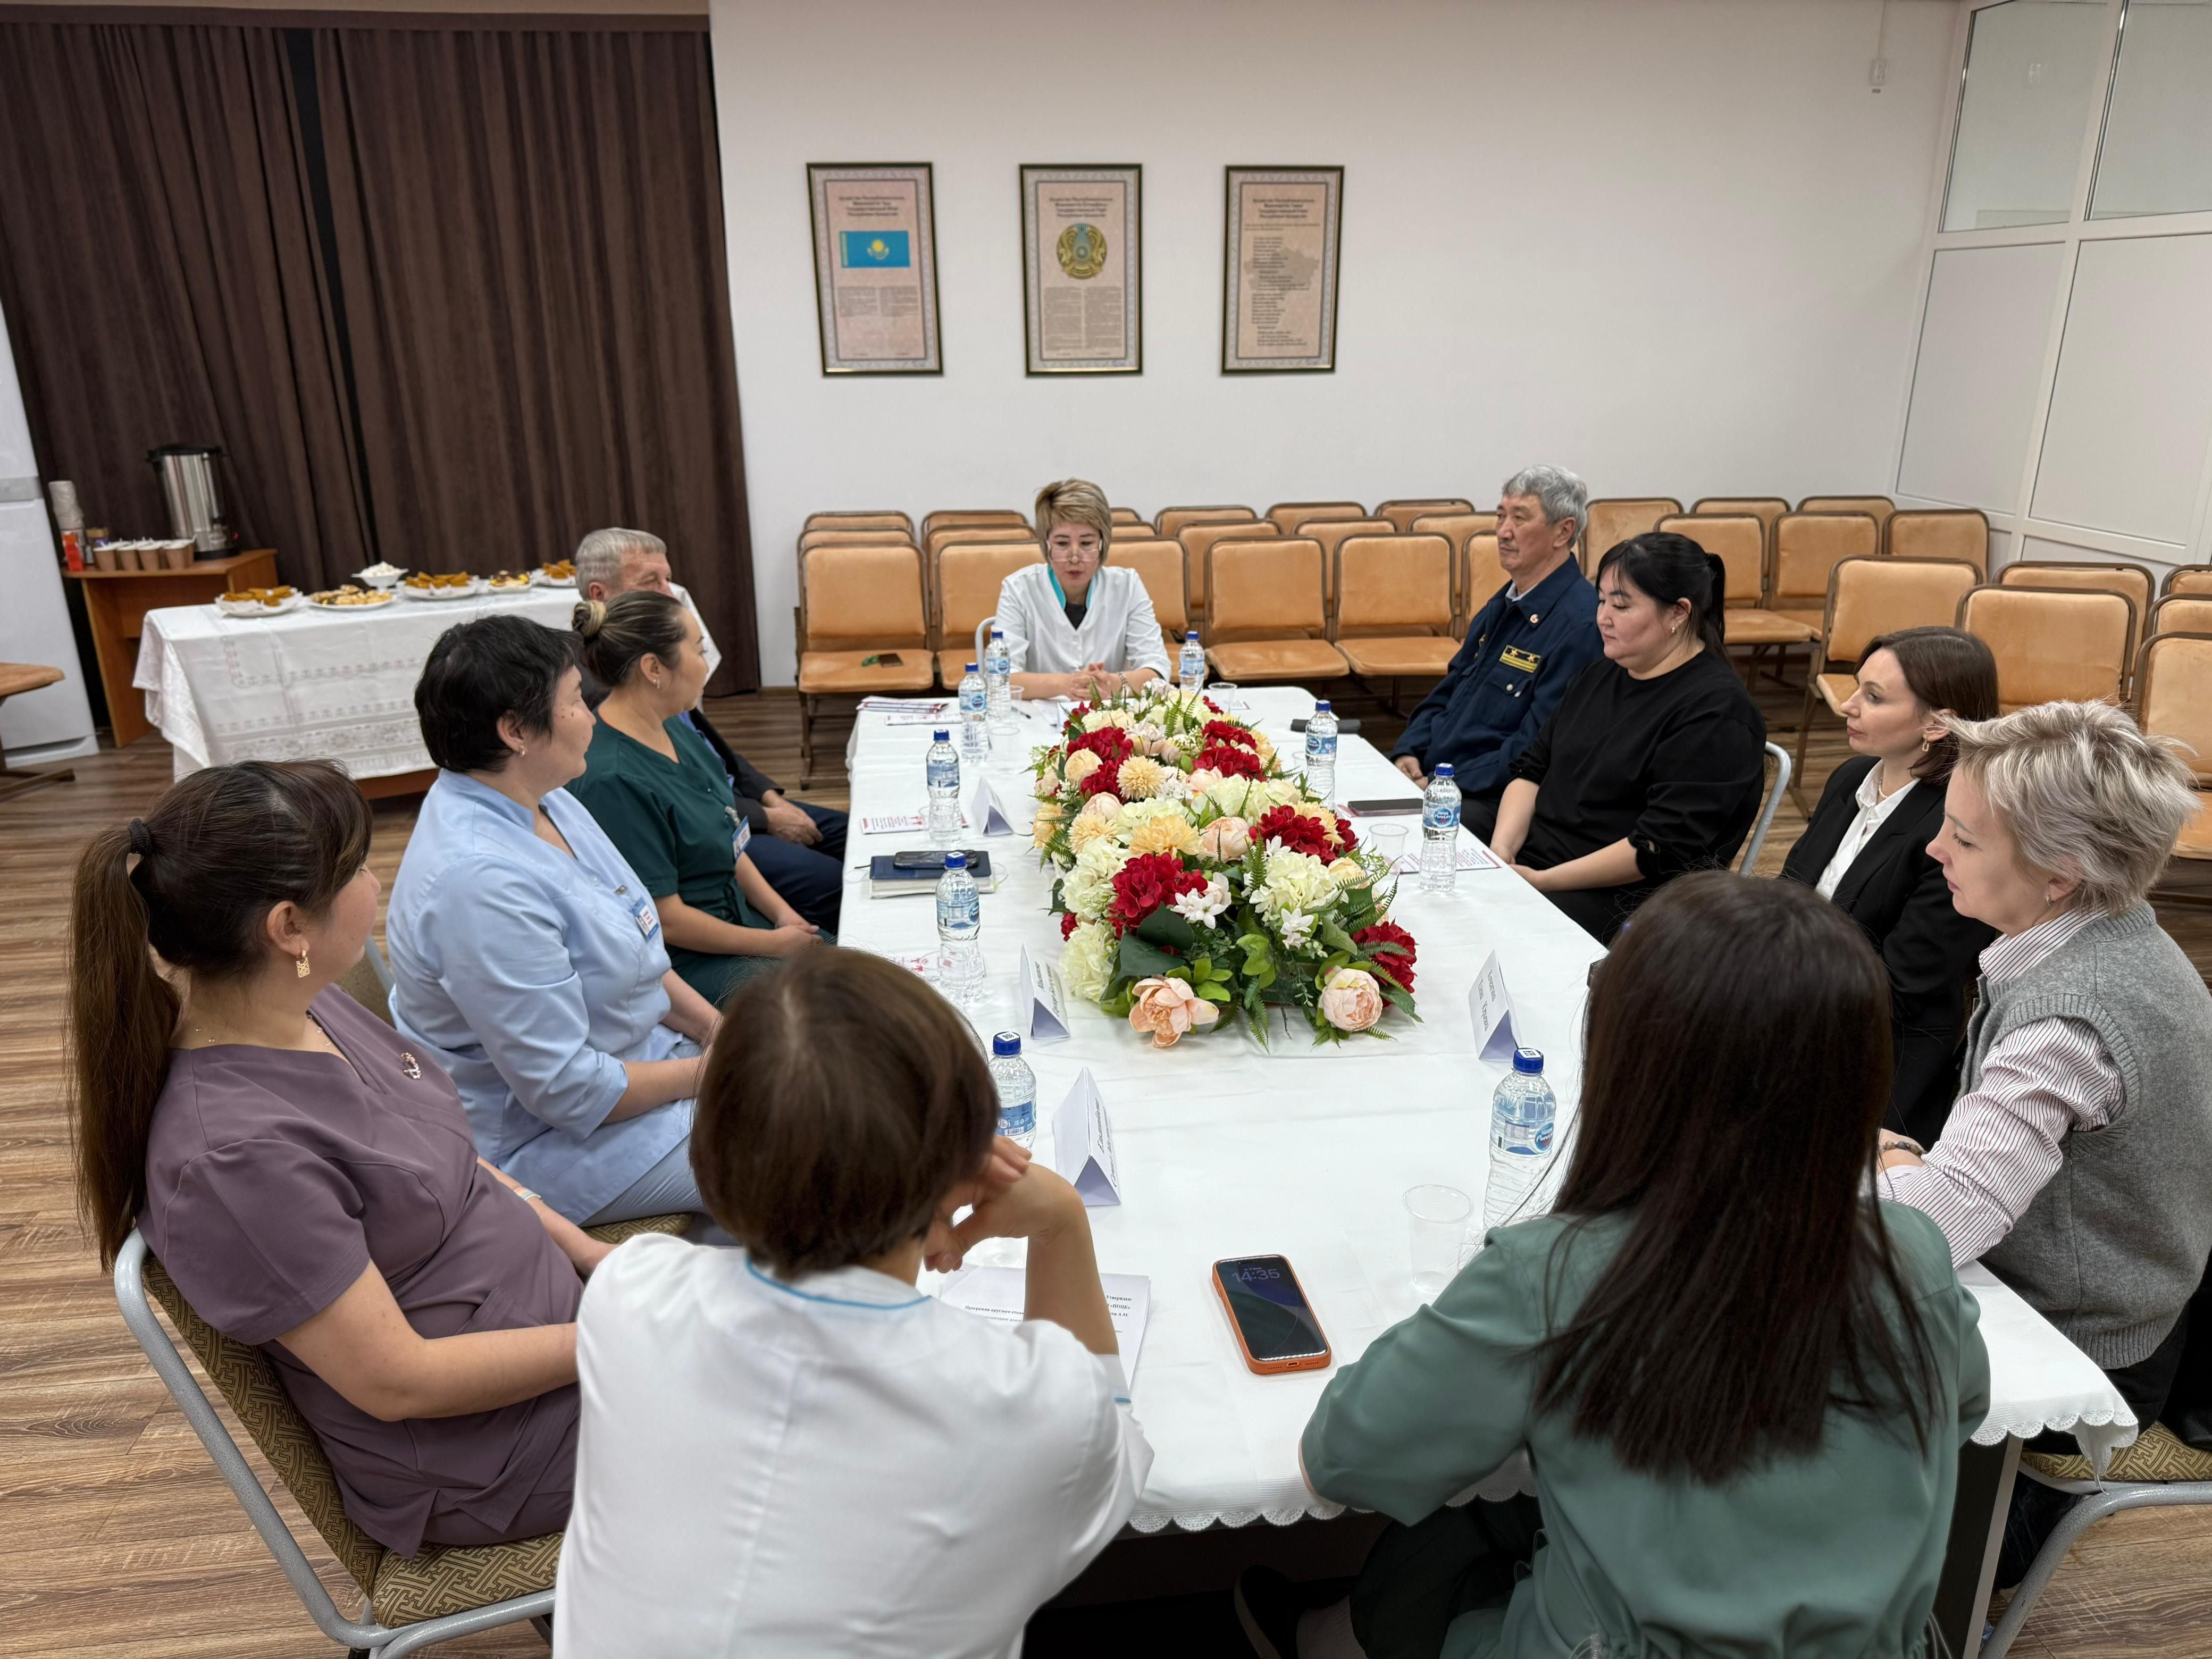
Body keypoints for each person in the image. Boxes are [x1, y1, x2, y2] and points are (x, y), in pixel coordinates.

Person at [1236, 873, 1987, 1659]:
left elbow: (1342, 1457)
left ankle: (1337, 1637)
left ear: (1632, 1069)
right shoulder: (1911, 1254)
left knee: (1463, 1546)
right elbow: (1962, 1411)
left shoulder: (1556, 1276)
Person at [68, 760, 601, 1557]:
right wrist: (614, 1340)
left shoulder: (308, 1010)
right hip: (489, 1452)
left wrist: (590, 1255)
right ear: (289, 927)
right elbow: (398, 1379)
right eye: (356, 870)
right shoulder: (232, 1159)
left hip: (555, 1334)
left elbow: (451, 1162)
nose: (377, 883)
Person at [554, 950, 1152, 1656]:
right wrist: (1061, 1224)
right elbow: (1114, 1456)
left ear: (710, 1154)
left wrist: (931, 1188)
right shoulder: (1030, 1407)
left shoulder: (630, 1293)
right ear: (957, 1176)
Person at [1878, 701, 2212, 1579]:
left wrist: (1892, 1156)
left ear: (2061, 874)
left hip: (2077, 1346)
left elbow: (1930, 1231)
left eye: (1964, 837)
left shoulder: (2071, 1022)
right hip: (2119, 1297)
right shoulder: (2116, 939)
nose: (1934, 849)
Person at [387, 614, 723, 1227]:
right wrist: (712, 1074)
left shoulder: (547, 798)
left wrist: (714, 1029)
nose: (593, 717)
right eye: (575, 701)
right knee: (816, 1146)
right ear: (516, 730)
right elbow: (568, 1091)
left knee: (825, 1089)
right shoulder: (478, 883)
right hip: (547, 1144)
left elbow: (639, 945)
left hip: (636, 1066)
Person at [1486, 532, 1767, 943]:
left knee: (1490, 927)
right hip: (1538, 861)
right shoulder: (1600, 673)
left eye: (1620, 606)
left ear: (1678, 613)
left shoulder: (1717, 713)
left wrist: (1542, 881)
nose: (1602, 617)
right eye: (1601, 601)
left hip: (1626, 898)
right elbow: (1532, 770)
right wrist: (1501, 853)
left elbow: (1655, 848)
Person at [1781, 627, 2000, 1144]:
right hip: (1796, 1003)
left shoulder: (1960, 827)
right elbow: (1788, 896)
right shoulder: (1851, 777)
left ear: (1937, 724)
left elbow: (1901, 987)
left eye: (1874, 697)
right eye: (1857, 687)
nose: (1848, 705)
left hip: (1877, 1045)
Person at [566, 591, 828, 1008]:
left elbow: (728, 839)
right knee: (830, 1005)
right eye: (700, 650)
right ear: (654, 668)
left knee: (862, 973)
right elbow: (666, 919)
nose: (706, 664)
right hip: (687, 960)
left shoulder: (673, 728)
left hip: (739, 922)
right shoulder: (612, 778)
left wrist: (784, 916)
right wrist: (774, 944)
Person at [577, 526, 847, 932]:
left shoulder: (668, 712)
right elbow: (666, 898)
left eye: (668, 579)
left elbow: (713, 760)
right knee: (831, 884)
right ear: (599, 595)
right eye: (652, 582)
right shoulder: (617, 705)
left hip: (728, 818)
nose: (670, 594)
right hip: (713, 840)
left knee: (857, 838)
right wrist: (766, 818)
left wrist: (769, 797)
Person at [1390, 466, 1603, 840]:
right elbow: (1450, 689)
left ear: (1563, 532)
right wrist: (1409, 750)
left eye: (1520, 518)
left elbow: (1534, 747)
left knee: (1394, 834)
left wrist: (1443, 782)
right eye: (1501, 516)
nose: (1503, 531)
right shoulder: (1505, 601)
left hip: (1493, 795)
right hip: (1441, 776)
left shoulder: (1580, 625)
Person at [996, 477, 1170, 699]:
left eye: (1087, 543)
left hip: (1107, 714)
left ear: (1102, 544)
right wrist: (1068, 684)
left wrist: (1112, 683)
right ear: (1046, 544)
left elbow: (1157, 670)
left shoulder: (1127, 586)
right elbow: (1001, 678)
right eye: (1062, 544)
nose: (1075, 557)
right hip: (1039, 713)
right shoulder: (1019, 588)